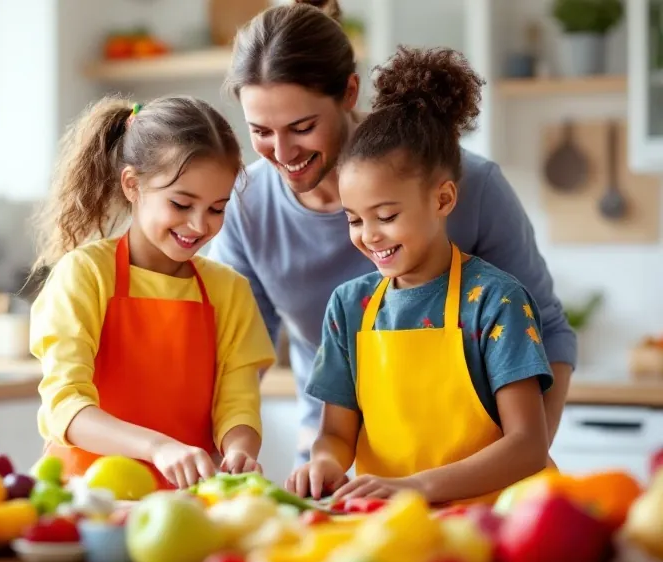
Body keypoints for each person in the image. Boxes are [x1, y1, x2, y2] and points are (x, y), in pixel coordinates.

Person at [209, 0, 576, 470]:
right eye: (260, 131)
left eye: (302, 127)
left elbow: (547, 330)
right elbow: (238, 356)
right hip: (339, 468)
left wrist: (521, 462)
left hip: (477, 474)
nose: (282, 153)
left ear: (349, 92)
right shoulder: (245, 205)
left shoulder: (469, 186)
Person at [284, 46, 553, 506]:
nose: (369, 236)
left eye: (385, 215)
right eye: (353, 219)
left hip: (490, 526)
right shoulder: (349, 307)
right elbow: (335, 433)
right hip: (393, 526)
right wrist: (325, 462)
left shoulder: (495, 300)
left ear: (443, 199)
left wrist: (417, 487)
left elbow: (528, 444)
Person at [28, 96, 276, 490]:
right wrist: (157, 447)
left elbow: (238, 404)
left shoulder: (228, 290)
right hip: (84, 502)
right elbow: (66, 406)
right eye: (181, 203)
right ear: (133, 185)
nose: (199, 225)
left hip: (184, 506)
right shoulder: (86, 274)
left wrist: (238, 449)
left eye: (217, 208)